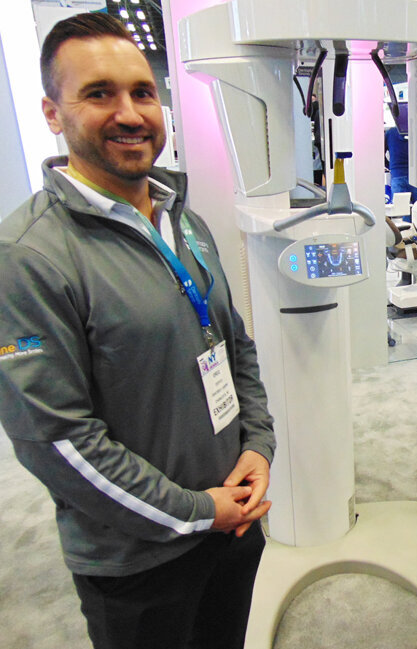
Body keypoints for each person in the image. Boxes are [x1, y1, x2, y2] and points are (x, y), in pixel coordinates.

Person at [0, 14, 275, 649]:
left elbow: (234, 347)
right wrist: (197, 511)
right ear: (51, 111)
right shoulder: (30, 256)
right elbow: (58, 442)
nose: (130, 113)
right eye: (99, 94)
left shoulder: (188, 221)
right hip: (138, 561)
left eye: (143, 92)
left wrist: (258, 447)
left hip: (232, 524)